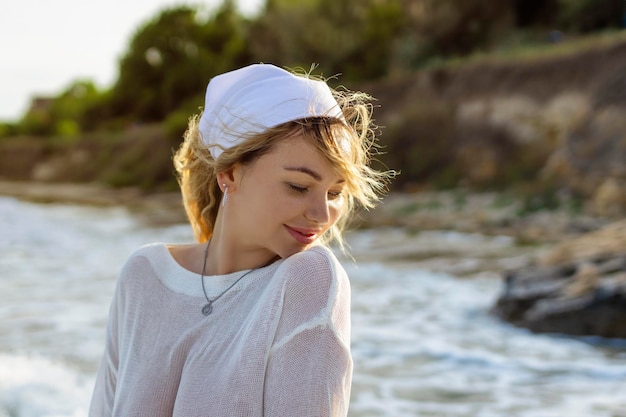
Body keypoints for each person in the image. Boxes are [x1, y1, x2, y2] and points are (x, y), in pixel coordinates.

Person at [89, 63, 392, 416]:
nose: (322, 215)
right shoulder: (143, 275)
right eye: (299, 187)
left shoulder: (308, 279)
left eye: (334, 193)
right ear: (230, 174)